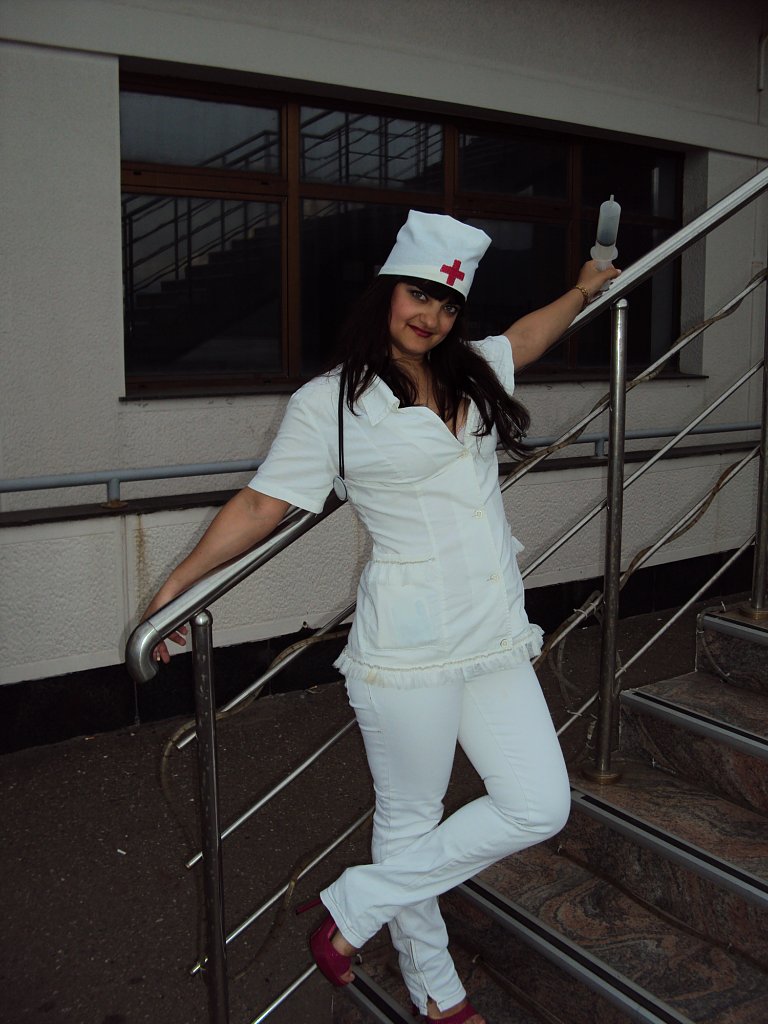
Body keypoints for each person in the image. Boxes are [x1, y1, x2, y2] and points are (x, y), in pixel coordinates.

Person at [143, 211, 619, 1024]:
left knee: (540, 804)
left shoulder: (473, 372)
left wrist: (582, 289)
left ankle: (353, 906)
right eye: (418, 295)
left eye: (447, 304)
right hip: (408, 645)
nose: (431, 315)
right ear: (387, 292)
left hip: (494, 633)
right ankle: (438, 991)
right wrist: (177, 589)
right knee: (411, 818)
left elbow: (527, 336)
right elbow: (261, 505)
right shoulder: (330, 403)